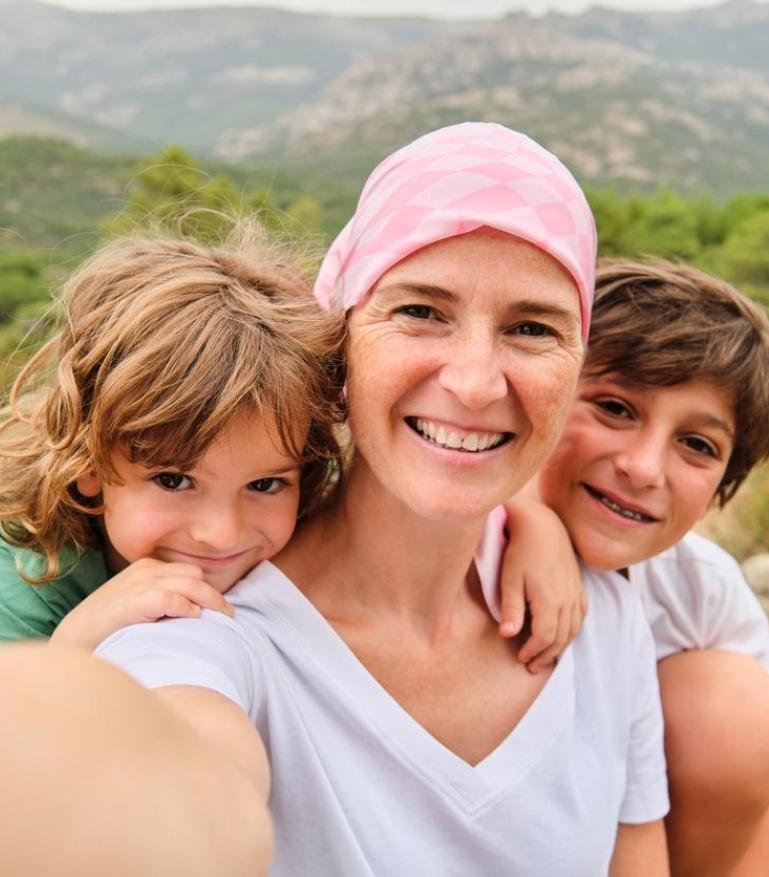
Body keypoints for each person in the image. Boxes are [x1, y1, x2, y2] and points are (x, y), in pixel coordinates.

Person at [94, 122, 671, 874]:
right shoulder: (204, 630)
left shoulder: (605, 620)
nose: (473, 382)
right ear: (341, 339)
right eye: (421, 311)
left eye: (531, 328)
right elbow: (189, 792)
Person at [0, 229, 581, 662]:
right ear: (89, 472)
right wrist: (81, 637)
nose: (221, 532)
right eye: (173, 480)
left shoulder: (279, 453)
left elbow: (416, 476)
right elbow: (7, 734)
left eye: (265, 485)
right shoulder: (15, 561)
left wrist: (531, 519)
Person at [530, 258, 769, 876]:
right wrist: (527, 518)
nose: (644, 467)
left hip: (635, 844)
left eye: (697, 445)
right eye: (614, 407)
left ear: (721, 488)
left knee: (736, 706)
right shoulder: (448, 534)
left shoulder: (702, 592)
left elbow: (764, 767)